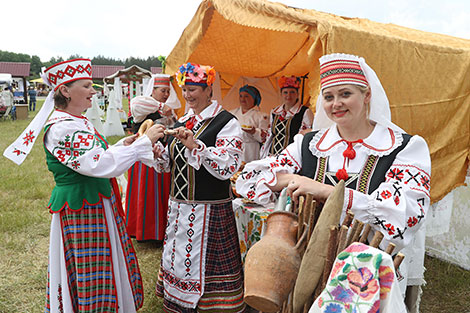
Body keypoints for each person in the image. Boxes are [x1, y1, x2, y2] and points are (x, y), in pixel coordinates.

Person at [236, 53, 431, 303]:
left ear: (367, 95)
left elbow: (402, 216)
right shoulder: (310, 144)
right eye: (329, 97)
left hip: (365, 277)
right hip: (307, 270)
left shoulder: (402, 148)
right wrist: (291, 180)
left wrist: (326, 190)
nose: (336, 103)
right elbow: (249, 178)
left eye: (345, 94)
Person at [4, 58, 164, 312]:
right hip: (82, 210)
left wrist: (124, 145)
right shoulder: (61, 129)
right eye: (87, 85)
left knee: (103, 265)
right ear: (65, 91)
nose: (94, 90)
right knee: (92, 270)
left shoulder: (77, 122)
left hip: (94, 205)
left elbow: (94, 156)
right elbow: (97, 164)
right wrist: (142, 144)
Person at [153, 63, 246, 312]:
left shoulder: (226, 122)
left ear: (208, 90)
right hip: (179, 208)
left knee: (207, 264)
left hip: (209, 211)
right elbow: (170, 165)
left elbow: (229, 164)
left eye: (193, 89)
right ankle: (178, 299)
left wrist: (196, 146)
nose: (188, 95)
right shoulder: (184, 120)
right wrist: (159, 153)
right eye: (185, 90)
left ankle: (213, 305)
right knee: (180, 257)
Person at [125, 74, 180, 242]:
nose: (165, 94)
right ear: (153, 90)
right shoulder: (144, 105)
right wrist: (161, 106)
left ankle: (160, 230)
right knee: (146, 191)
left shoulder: (167, 110)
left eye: (167, 92)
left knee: (161, 191)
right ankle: (144, 231)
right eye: (162, 90)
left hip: (162, 155)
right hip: (145, 157)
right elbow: (135, 104)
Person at [260, 75, 314, 157]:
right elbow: (270, 136)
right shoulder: (274, 112)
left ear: (297, 94)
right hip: (272, 155)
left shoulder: (304, 112)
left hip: (291, 157)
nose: (288, 96)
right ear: (281, 94)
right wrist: (263, 155)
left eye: (292, 92)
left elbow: (304, 138)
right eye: (285, 92)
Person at [230, 84, 269, 162]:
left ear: (254, 98)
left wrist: (254, 132)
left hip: (251, 150)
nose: (243, 99)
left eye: (246, 96)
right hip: (235, 148)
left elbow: (266, 138)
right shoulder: (231, 113)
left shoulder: (262, 116)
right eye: (241, 96)